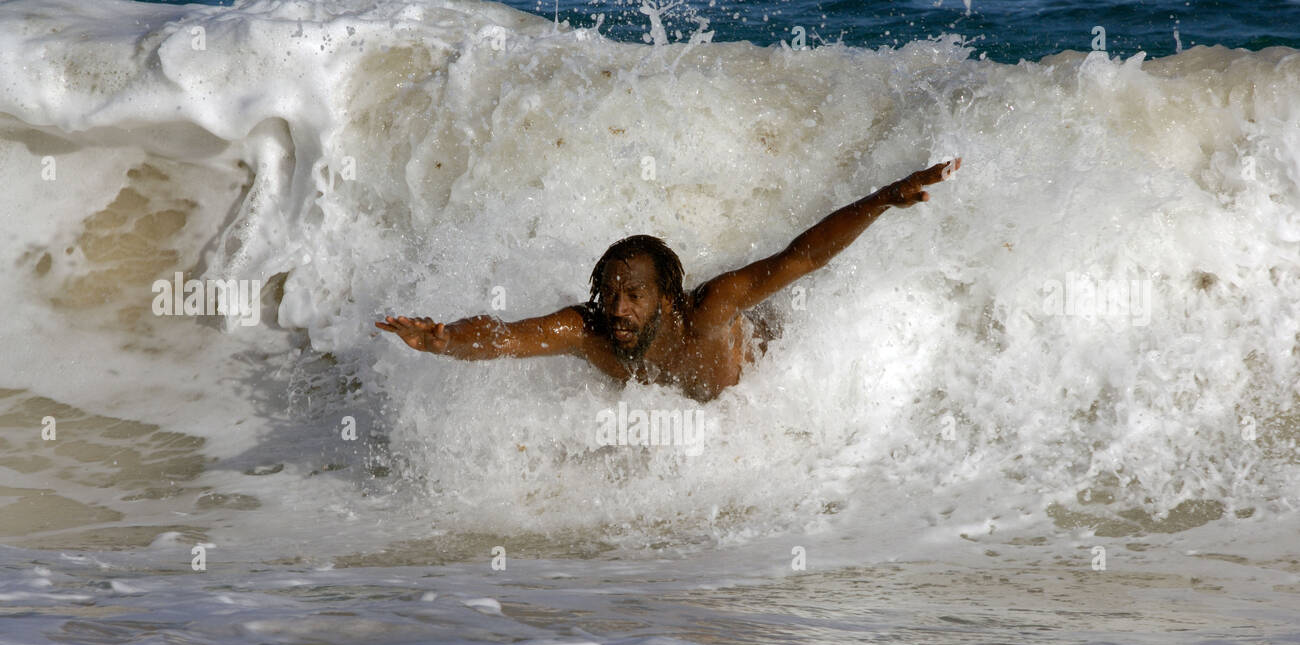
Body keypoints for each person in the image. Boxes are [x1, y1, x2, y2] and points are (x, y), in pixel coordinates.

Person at [376, 158, 960, 402]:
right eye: (608, 294)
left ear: (665, 298)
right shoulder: (589, 331)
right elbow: (505, 337)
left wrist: (883, 199)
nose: (617, 308)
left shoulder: (710, 311)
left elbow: (803, 257)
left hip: (763, 379)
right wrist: (445, 340)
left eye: (633, 295)